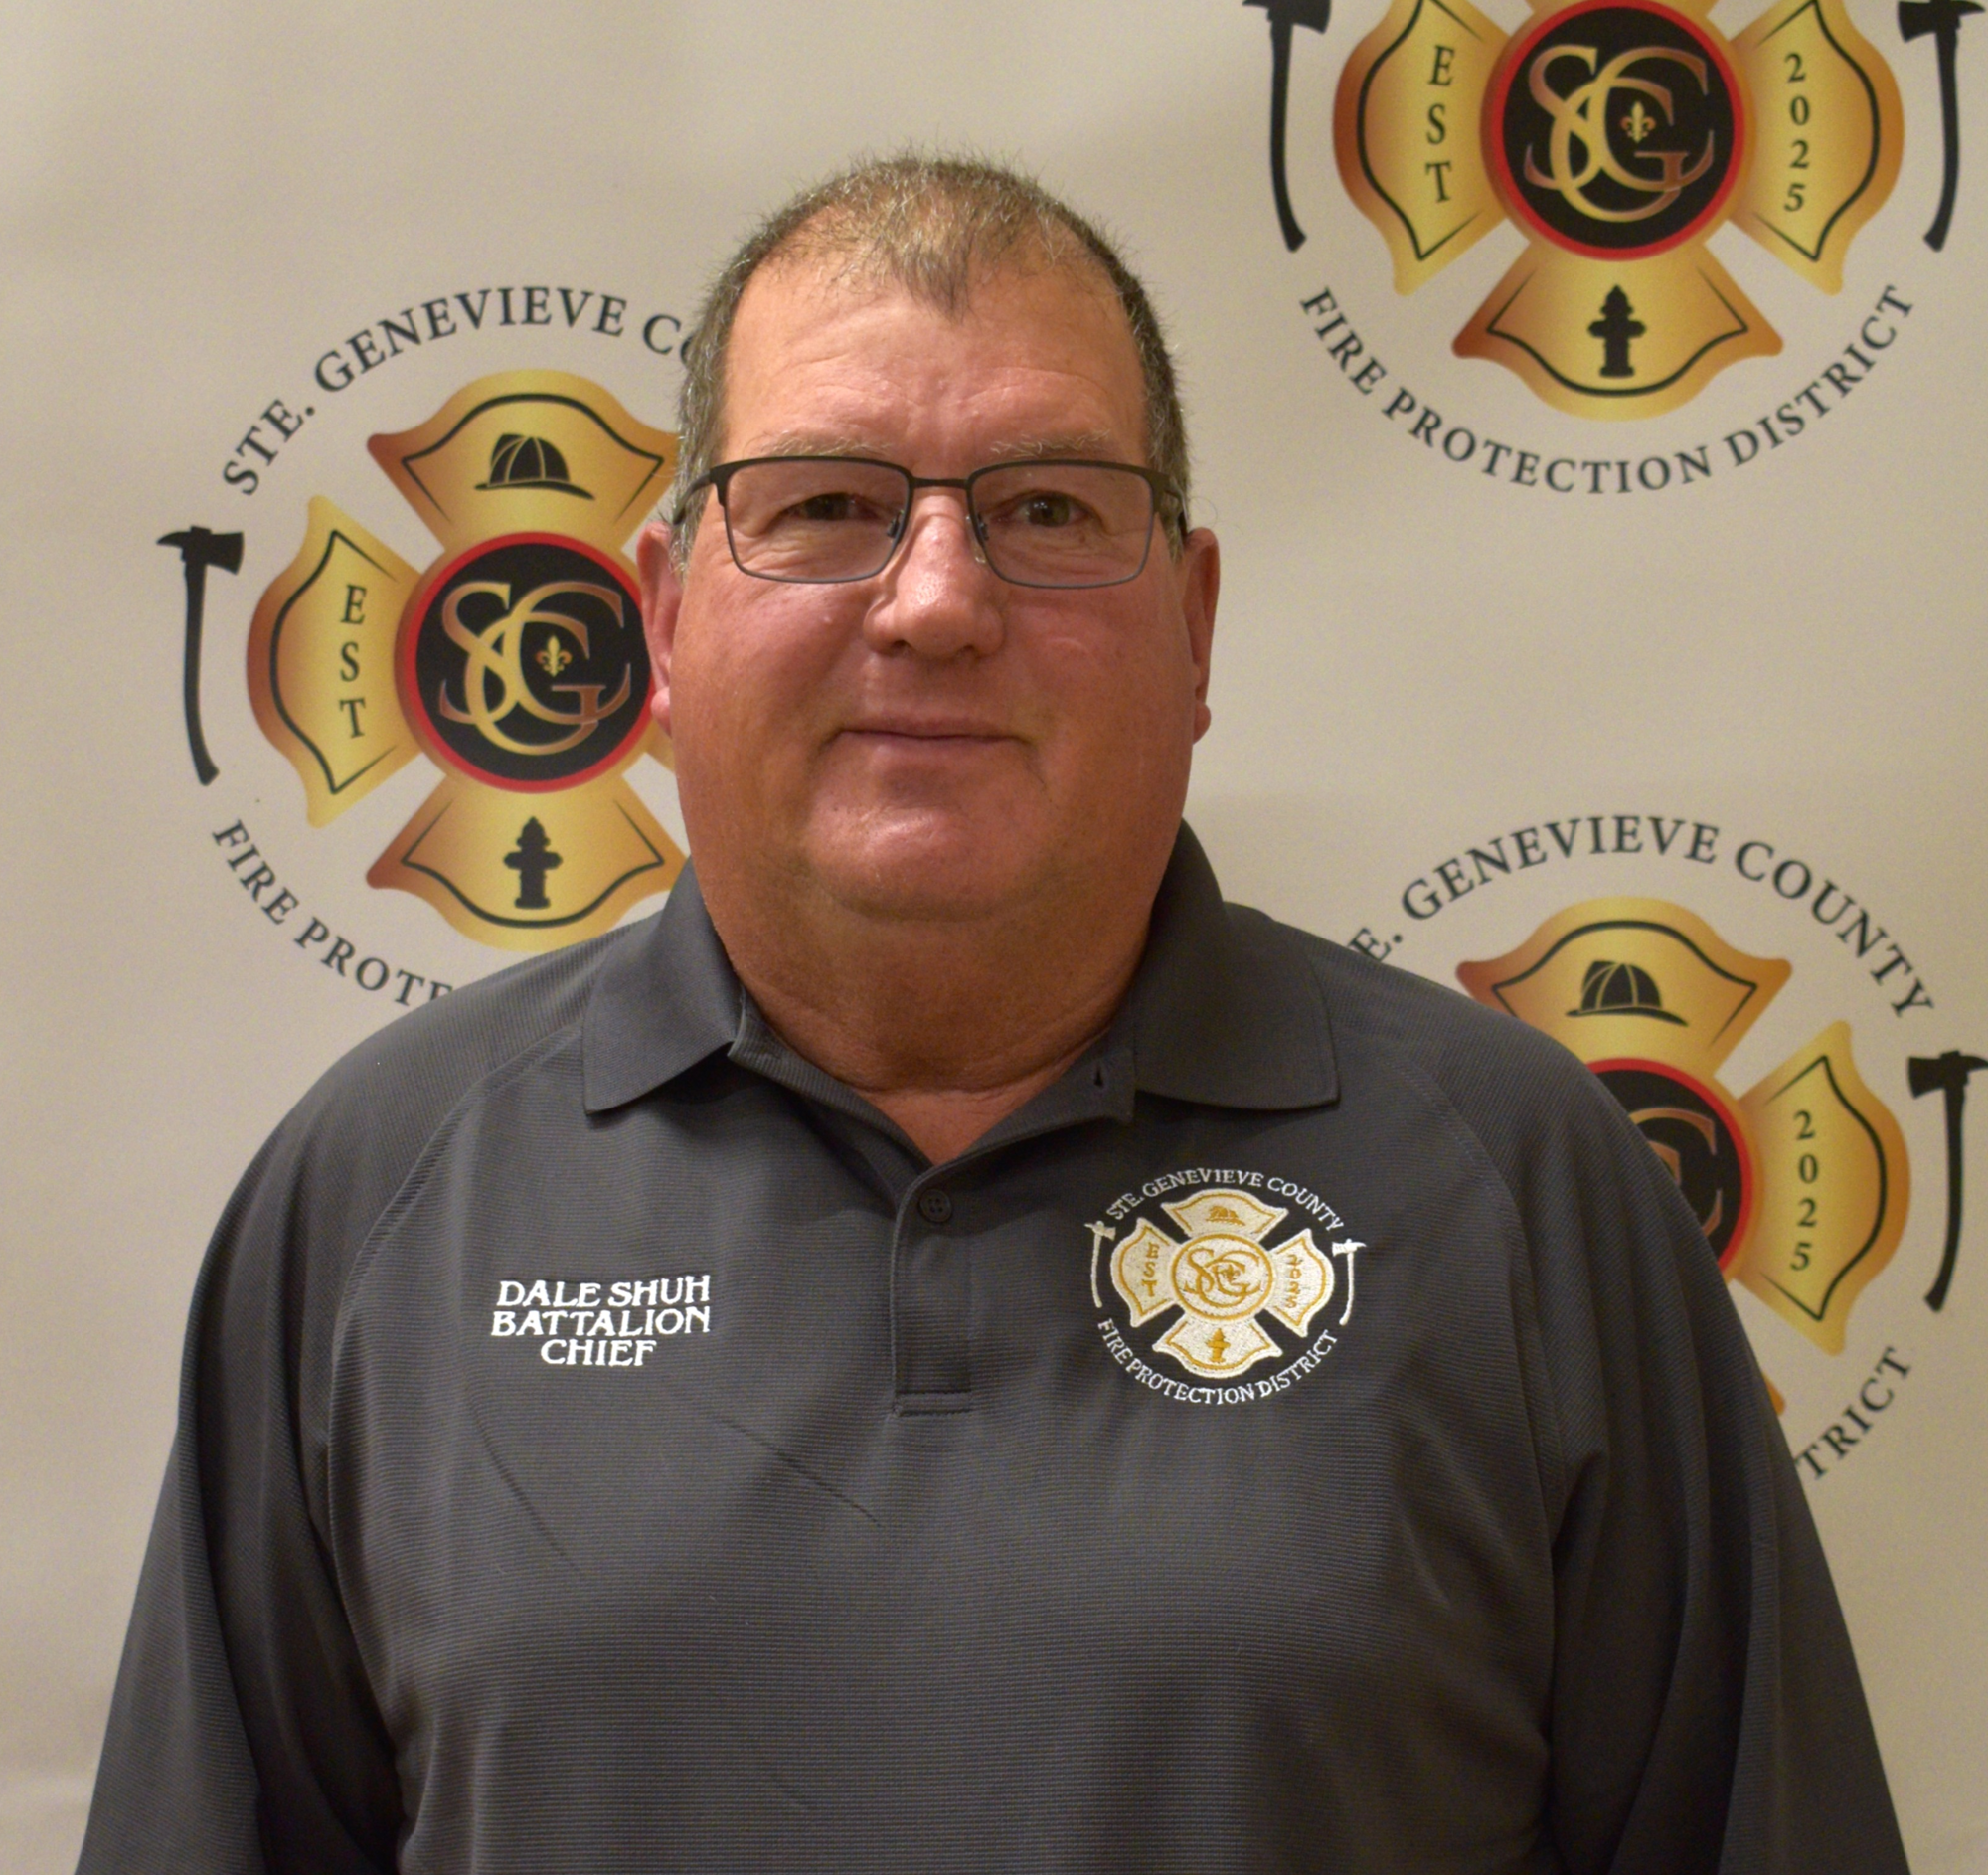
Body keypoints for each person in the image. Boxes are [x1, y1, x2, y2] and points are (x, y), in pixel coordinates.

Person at [81, 155, 1907, 1874]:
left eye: (1046, 507)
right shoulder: (379, 1195)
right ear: (661, 621)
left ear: (1194, 631)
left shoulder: (1525, 1188)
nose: (937, 600)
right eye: (824, 508)